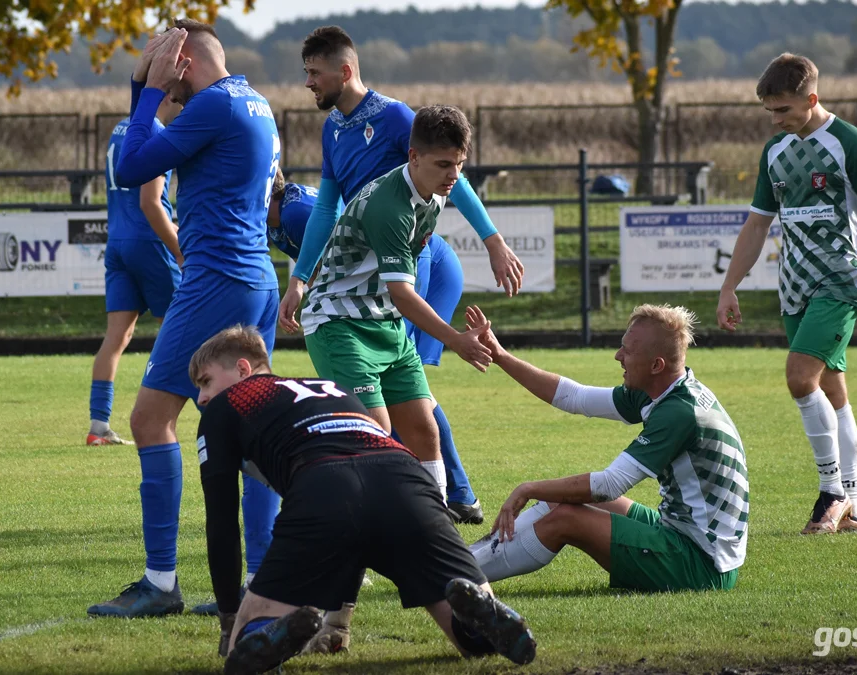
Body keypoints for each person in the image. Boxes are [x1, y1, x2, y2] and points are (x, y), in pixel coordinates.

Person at [278, 26, 526, 524]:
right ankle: (449, 497)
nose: (308, 82)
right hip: (368, 281)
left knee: (403, 409)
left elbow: (448, 172)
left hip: (407, 266)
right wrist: (300, 277)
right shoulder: (334, 129)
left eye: (313, 72)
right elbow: (326, 209)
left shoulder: (393, 116)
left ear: (344, 71)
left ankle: (444, 498)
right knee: (397, 412)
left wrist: (492, 238)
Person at [188, 326, 537, 674]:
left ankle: (262, 632)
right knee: (476, 646)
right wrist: (338, 623)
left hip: (325, 483)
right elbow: (360, 510)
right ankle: (479, 620)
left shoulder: (226, 405)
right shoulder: (332, 389)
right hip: (407, 479)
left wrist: (228, 616)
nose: (202, 397)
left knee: (241, 648)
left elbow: (222, 520)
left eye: (205, 381)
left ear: (243, 370)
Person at [85, 21, 281, 619]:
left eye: (163, 65)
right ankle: (258, 581)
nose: (161, 82)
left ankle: (161, 581)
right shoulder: (252, 101)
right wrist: (141, 83)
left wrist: (145, 87)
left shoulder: (215, 106)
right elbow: (149, 147)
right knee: (249, 434)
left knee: (149, 419)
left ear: (184, 61)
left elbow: (131, 164)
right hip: (255, 278)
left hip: (216, 280)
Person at [716, 53, 857, 535]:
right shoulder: (775, 151)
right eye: (770, 113)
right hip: (795, 285)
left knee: (800, 376)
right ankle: (856, 508)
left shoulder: (850, 144)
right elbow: (757, 224)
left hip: (841, 279)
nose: (776, 121)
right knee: (831, 389)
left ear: (812, 99)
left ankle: (832, 492)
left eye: (783, 110)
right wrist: (729, 286)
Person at [466, 304, 748, 593]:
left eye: (627, 350)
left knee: (566, 518)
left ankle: (451, 575)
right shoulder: (670, 389)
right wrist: (500, 356)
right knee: (558, 501)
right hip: (686, 536)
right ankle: (461, 561)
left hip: (702, 564)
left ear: (656, 366)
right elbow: (573, 396)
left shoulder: (679, 412)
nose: (618, 356)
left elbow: (608, 485)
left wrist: (527, 488)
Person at [266, 167, 482, 524]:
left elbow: (373, 275)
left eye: (457, 164)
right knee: (377, 428)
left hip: (388, 296)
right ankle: (373, 528)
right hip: (353, 310)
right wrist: (299, 284)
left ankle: (438, 517)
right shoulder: (335, 142)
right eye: (445, 165)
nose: (452, 175)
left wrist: (492, 242)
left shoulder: (296, 211)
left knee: (407, 421)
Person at [86, 105, 182, 447]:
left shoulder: (120, 128)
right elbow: (151, 201)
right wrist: (178, 248)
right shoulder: (156, 130)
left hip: (118, 241)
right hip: (151, 241)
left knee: (116, 338)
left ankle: (98, 426)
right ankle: (203, 415)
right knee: (182, 330)